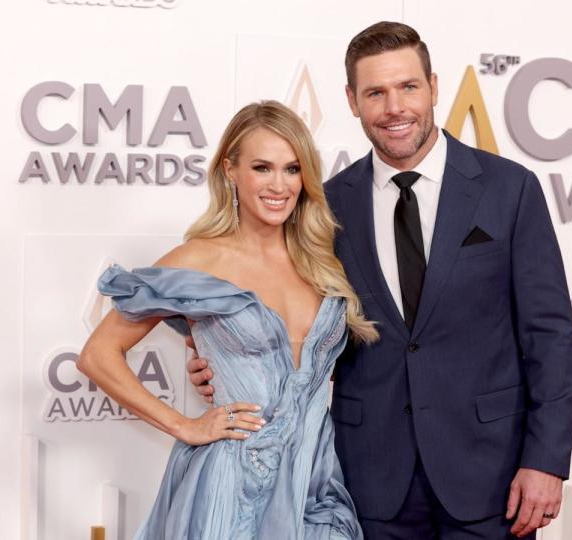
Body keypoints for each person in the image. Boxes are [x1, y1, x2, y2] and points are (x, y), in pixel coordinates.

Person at [188, 22, 572, 539]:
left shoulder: (510, 190)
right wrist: (220, 355)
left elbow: (550, 337)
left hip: (492, 474)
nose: (395, 108)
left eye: (408, 87)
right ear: (352, 101)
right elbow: (284, 304)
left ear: (434, 88)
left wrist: (546, 461)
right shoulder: (324, 206)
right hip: (369, 477)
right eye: (376, 92)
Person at [77, 100, 378, 539]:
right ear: (229, 171)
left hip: (314, 481)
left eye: (293, 169)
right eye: (262, 167)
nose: (280, 185)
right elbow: (98, 355)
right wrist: (184, 424)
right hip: (229, 483)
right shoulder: (199, 260)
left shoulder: (325, 259)